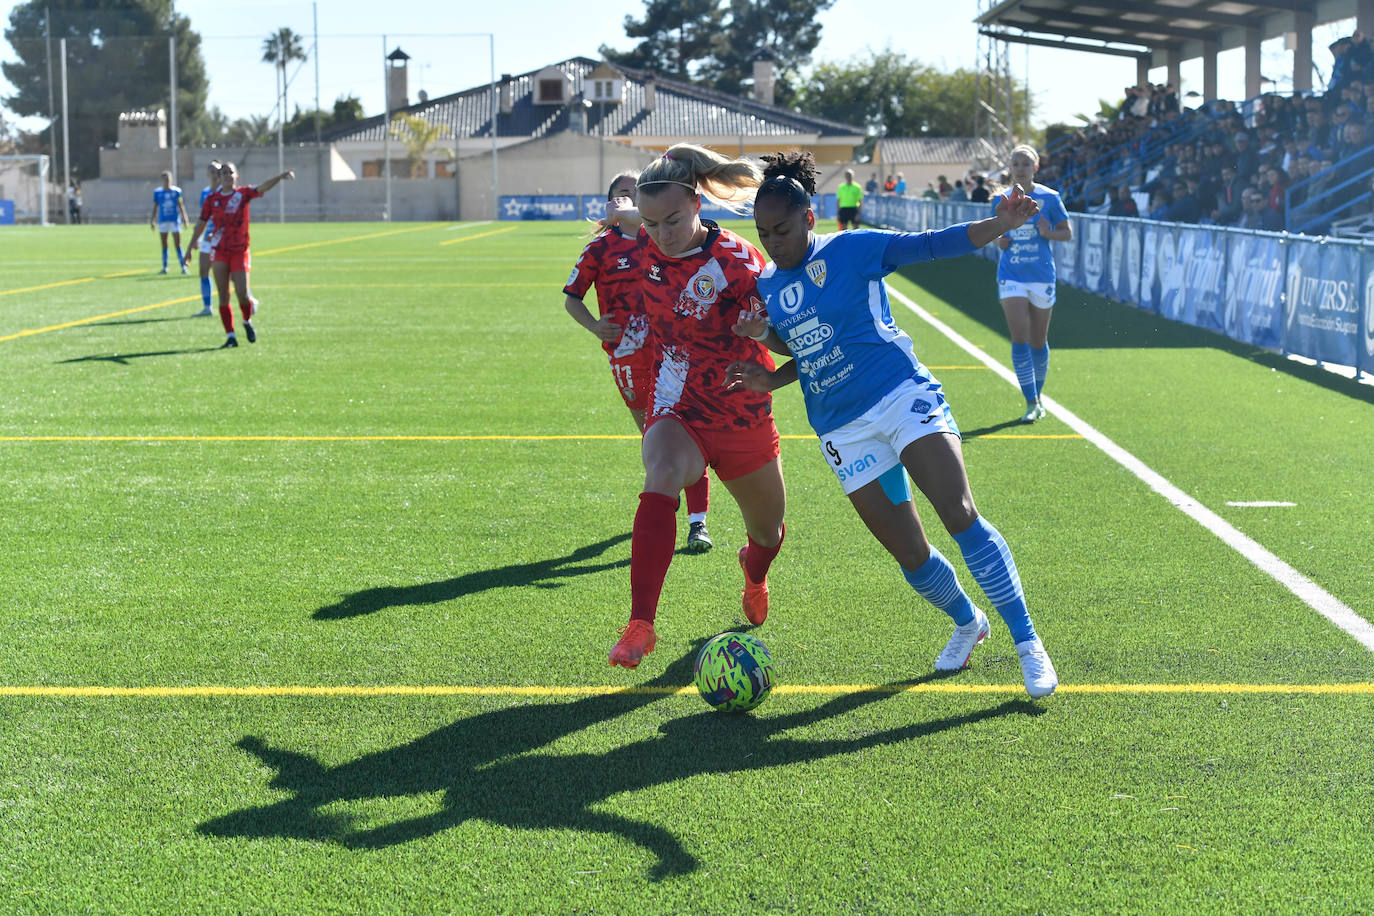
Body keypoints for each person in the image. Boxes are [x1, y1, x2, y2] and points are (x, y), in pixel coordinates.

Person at [728, 150, 1057, 697]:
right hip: (841, 428)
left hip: (900, 394)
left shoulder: (852, 249)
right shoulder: (766, 285)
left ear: (809, 217)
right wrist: (767, 364)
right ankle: (968, 622)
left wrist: (1000, 224)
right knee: (910, 553)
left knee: (959, 512)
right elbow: (805, 346)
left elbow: (931, 244)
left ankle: (1028, 642)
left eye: (781, 230)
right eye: (763, 233)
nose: (772, 243)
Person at [600, 143, 787, 670]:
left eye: (673, 221)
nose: (661, 234)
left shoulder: (738, 261)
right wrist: (622, 215)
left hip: (740, 408)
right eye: (650, 223)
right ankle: (640, 624)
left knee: (768, 533)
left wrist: (762, 331)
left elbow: (784, 340)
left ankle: (754, 571)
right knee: (660, 471)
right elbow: (622, 222)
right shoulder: (643, 237)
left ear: (697, 204)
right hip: (676, 401)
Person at [562, 170, 714, 553]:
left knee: (687, 433)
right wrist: (595, 326)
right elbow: (572, 298)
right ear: (612, 202)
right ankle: (665, 504)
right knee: (654, 441)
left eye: (637, 192)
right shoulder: (600, 249)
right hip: (628, 360)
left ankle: (698, 522)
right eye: (623, 193)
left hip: (672, 353)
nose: (630, 198)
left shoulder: (662, 241)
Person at [993, 144, 1071, 424]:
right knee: (1019, 336)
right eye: (1016, 163)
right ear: (1010, 168)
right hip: (1011, 274)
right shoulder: (1001, 198)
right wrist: (1000, 240)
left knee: (1039, 340)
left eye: (1026, 163)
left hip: (1041, 275)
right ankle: (1030, 401)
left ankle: (1038, 396)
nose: (1020, 168)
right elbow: (996, 233)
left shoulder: (1050, 198)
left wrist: (1048, 232)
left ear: (1035, 167)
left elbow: (1067, 233)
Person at [184, 162, 293, 349]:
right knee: (223, 295)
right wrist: (189, 248)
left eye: (230, 172)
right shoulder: (212, 199)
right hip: (219, 250)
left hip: (239, 251)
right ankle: (230, 336)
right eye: (223, 173)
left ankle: (246, 321)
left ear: (237, 176)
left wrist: (280, 177)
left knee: (242, 293)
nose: (227, 175)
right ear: (219, 178)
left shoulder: (243, 194)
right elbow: (201, 224)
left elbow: (263, 187)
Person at [193, 161, 223, 317]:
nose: (214, 174)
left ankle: (249, 299)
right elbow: (203, 218)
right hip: (207, 238)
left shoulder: (224, 191)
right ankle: (207, 307)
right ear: (207, 174)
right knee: (203, 270)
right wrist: (197, 239)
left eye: (217, 171)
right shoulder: (205, 193)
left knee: (229, 274)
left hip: (222, 238)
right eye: (211, 171)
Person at [149, 171, 190, 275]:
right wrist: (153, 220)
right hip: (163, 221)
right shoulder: (158, 192)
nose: (166, 181)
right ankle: (165, 267)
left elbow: (181, 206)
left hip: (174, 221)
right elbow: (155, 207)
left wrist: (185, 219)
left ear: (171, 180)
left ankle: (183, 267)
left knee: (178, 244)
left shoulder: (176, 191)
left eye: (168, 179)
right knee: (164, 244)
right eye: (164, 179)